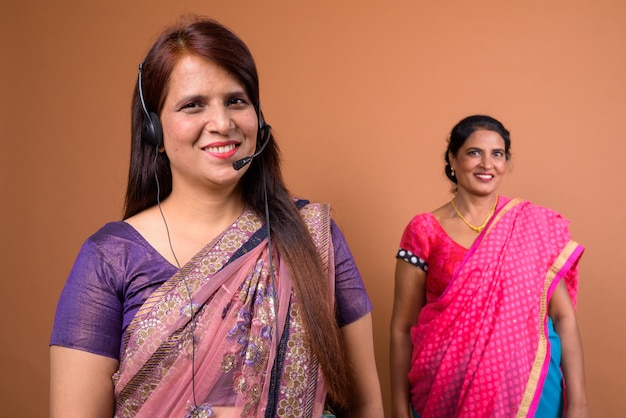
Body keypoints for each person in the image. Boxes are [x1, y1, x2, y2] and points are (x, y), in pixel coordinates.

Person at [50, 16, 384, 418]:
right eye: (193, 105)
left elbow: (365, 405)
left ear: (259, 119)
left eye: (236, 101)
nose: (223, 124)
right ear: (153, 130)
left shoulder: (314, 236)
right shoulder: (109, 258)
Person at [389, 115, 588, 418]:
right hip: (442, 396)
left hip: (530, 394)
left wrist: (578, 406)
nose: (487, 164)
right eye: (474, 153)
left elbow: (563, 317)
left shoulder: (534, 227)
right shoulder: (424, 230)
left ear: (506, 163)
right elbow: (402, 329)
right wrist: (399, 409)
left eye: (497, 154)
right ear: (453, 160)